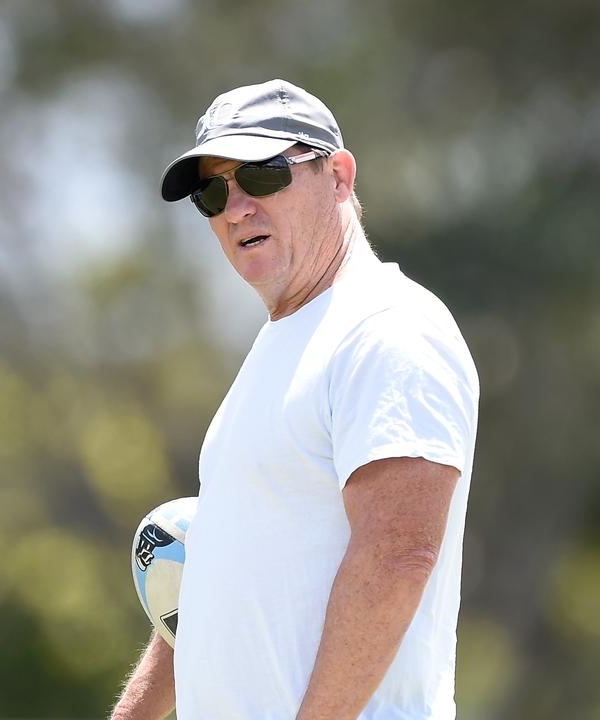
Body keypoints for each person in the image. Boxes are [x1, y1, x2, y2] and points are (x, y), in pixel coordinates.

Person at [111, 79, 479, 719]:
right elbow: (214, 597)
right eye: (212, 191)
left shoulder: (387, 326)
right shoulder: (283, 346)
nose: (235, 208)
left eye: (261, 174)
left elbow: (398, 552)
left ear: (338, 176)